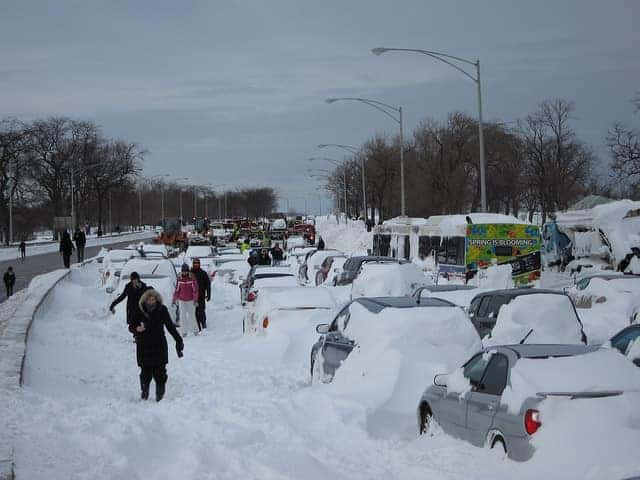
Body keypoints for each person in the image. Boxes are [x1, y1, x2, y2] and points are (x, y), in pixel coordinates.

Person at [130, 289, 183, 401]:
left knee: (160, 373)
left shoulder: (162, 310)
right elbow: (131, 325)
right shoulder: (139, 310)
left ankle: (160, 396)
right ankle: (144, 393)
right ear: (145, 299)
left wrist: (178, 340)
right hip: (144, 345)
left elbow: (170, 326)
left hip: (159, 345)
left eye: (153, 299)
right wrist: (136, 329)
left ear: (157, 299)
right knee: (145, 373)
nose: (151, 301)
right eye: (149, 299)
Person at [172, 264, 199, 336]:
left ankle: (195, 330)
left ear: (188, 271)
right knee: (182, 316)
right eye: (183, 271)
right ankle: (184, 332)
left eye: (186, 271)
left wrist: (195, 300)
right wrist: (174, 299)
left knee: (192, 315)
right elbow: (177, 290)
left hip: (190, 300)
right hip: (182, 300)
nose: (184, 273)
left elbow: (195, 290)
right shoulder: (179, 279)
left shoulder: (192, 279)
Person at [191, 258, 211, 331]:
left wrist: (208, 295)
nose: (196, 265)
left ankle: (203, 322)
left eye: (197, 263)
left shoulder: (203, 273)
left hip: (201, 295)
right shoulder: (190, 273)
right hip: (192, 297)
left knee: (201, 310)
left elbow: (208, 284)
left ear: (199, 264)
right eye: (194, 263)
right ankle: (196, 323)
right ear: (193, 264)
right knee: (195, 311)